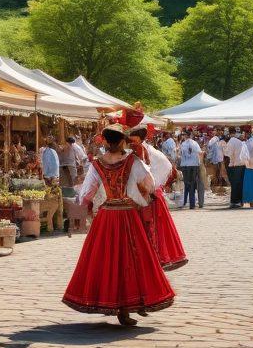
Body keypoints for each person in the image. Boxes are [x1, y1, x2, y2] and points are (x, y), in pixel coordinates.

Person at [62, 125, 176, 325]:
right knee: (133, 259)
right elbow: (149, 184)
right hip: (128, 215)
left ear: (105, 141)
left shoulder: (97, 164)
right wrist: (141, 195)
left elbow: (86, 192)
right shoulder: (132, 161)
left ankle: (115, 303)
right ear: (123, 141)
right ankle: (129, 305)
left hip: (106, 216)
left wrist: (84, 208)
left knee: (107, 260)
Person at [128, 117, 187, 271]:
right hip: (150, 192)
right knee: (155, 228)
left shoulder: (141, 149)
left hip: (148, 193)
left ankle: (154, 258)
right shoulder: (145, 149)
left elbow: (145, 171)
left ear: (140, 138)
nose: (131, 141)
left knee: (152, 228)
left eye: (133, 138)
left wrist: (150, 187)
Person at [178, 133, 203, 209]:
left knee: (186, 184)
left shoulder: (183, 144)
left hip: (185, 166)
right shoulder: (195, 143)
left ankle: (185, 202)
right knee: (193, 184)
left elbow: (179, 154)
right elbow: (200, 153)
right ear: (191, 136)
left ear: (185, 136)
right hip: (194, 165)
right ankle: (192, 204)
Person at [224, 128, 247, 208]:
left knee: (234, 184)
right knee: (240, 184)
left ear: (229, 133)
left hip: (234, 166)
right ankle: (240, 201)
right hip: (242, 165)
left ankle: (234, 201)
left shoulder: (231, 142)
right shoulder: (240, 142)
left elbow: (228, 154)